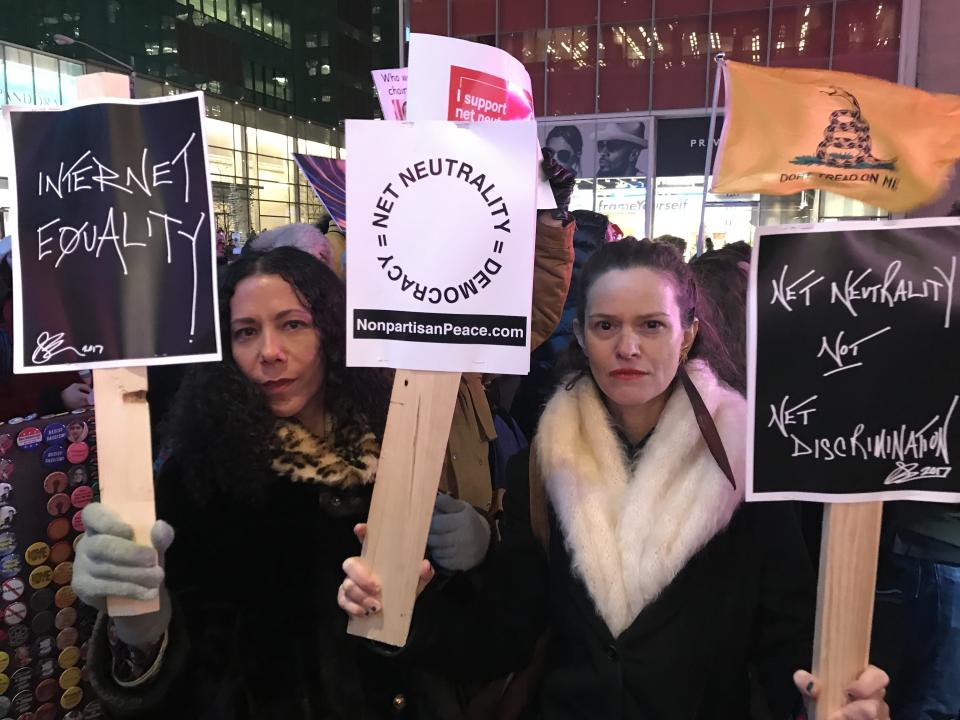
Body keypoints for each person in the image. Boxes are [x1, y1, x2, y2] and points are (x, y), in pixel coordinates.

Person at [340, 239, 890, 720]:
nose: (628, 347)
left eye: (652, 325)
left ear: (689, 333)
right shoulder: (541, 464)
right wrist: (402, 610)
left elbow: (786, 638)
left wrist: (832, 698)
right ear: (581, 333)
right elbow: (507, 634)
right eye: (607, 326)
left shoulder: (744, 464)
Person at [74, 247, 447, 718]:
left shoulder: (395, 446)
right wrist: (142, 627)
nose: (269, 352)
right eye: (246, 332)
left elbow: (458, 647)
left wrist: (410, 614)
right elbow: (182, 680)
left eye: (293, 324)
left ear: (331, 332)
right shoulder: (197, 477)